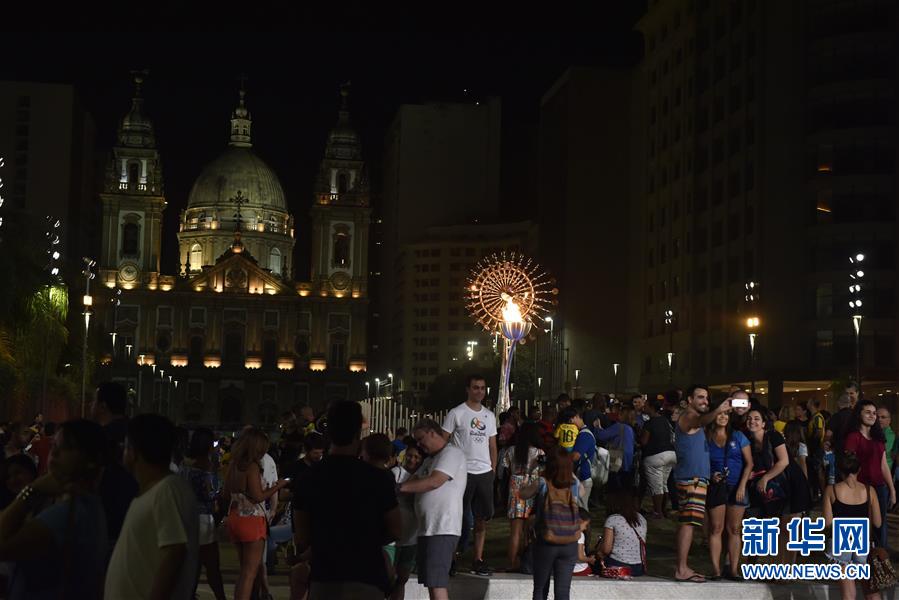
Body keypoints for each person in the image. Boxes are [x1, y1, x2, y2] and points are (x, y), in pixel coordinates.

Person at [294, 401, 400, 600]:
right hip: (367, 576)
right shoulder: (378, 478)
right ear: (358, 432)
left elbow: (301, 536)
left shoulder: (308, 478)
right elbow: (395, 529)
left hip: (324, 577)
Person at [0, 419, 108, 600]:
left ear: (89, 459)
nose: (54, 453)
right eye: (54, 445)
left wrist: (31, 490)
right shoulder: (89, 507)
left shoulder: (69, 513)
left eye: (66, 447)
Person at [105, 414, 199, 600]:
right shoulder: (156, 491)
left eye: (126, 446)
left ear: (134, 451)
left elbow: (174, 552)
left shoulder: (167, 490)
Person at [399, 419, 467, 600]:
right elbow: (414, 481)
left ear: (432, 433)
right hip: (428, 529)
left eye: (421, 439)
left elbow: (435, 481)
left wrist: (400, 488)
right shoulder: (430, 459)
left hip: (442, 527)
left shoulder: (451, 453)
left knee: (437, 584)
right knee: (432, 582)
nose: (419, 444)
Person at [673, 384, 731, 583]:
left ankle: (682, 567)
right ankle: (681, 568)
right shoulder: (689, 417)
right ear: (689, 399)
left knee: (689, 523)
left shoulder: (694, 420)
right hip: (692, 479)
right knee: (688, 523)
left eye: (707, 398)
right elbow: (700, 420)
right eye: (700, 397)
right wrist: (718, 410)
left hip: (695, 478)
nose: (705, 401)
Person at [441, 374, 497, 576]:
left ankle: (478, 559)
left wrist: (492, 470)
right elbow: (443, 440)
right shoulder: (456, 413)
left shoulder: (489, 416)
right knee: (458, 519)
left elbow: (492, 445)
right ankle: (451, 559)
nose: (479, 391)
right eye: (475, 387)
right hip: (462, 473)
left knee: (482, 519)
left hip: (484, 474)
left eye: (482, 388)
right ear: (468, 389)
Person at [224, 428, 287, 600]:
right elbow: (258, 496)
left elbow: (225, 492)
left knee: (244, 570)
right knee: (249, 573)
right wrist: (277, 486)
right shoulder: (252, 466)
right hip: (252, 519)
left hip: (235, 516)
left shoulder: (233, 464)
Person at [519, 447, 580, 600]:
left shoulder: (542, 482)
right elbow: (582, 494)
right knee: (563, 592)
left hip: (546, 541)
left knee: (540, 589)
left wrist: (530, 471)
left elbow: (522, 493)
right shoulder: (574, 484)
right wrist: (567, 470)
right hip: (570, 541)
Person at [823, 451, 881, 600]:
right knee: (871, 591)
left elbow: (828, 524)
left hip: (841, 541)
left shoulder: (831, 490)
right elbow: (877, 522)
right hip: (863, 541)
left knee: (848, 595)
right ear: (859, 469)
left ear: (840, 471)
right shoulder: (870, 491)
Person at [706, 399, 752, 580]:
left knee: (734, 529)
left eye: (726, 414)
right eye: (720, 413)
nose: (723, 417)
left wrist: (742, 485)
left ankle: (733, 569)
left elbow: (749, 463)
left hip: (736, 486)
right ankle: (716, 570)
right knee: (716, 528)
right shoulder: (706, 436)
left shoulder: (738, 436)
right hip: (716, 486)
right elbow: (702, 461)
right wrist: (710, 475)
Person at [91, 381, 139, 555]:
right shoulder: (136, 432)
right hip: (134, 514)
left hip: (105, 516)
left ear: (103, 406)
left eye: (93, 401)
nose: (91, 405)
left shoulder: (97, 437)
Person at [179, 427, 226, 600]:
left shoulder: (186, 465)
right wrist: (220, 493)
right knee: (212, 564)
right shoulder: (204, 464)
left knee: (194, 563)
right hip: (203, 518)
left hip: (188, 516)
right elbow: (208, 494)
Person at [844, 400, 896, 550]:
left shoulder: (878, 437)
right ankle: (860, 561)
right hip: (860, 488)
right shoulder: (853, 437)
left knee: (880, 526)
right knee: (860, 526)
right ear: (859, 414)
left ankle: (879, 562)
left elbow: (883, 465)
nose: (872, 416)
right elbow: (848, 465)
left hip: (879, 487)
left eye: (874, 413)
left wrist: (891, 489)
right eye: (868, 412)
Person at [500, 421, 544, 572]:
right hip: (532, 490)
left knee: (515, 532)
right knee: (529, 531)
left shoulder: (511, 451)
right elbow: (542, 473)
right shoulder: (539, 452)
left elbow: (505, 472)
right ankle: (526, 562)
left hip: (515, 490)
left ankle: (511, 562)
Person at [390, 443, 423, 600]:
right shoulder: (396, 473)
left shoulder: (424, 477)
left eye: (416, 457)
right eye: (409, 455)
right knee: (388, 576)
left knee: (402, 578)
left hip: (411, 537)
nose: (412, 460)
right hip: (392, 539)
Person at [745, 407, 790, 519]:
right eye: (749, 419)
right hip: (756, 488)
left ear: (763, 424)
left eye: (756, 419)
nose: (752, 421)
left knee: (776, 520)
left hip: (776, 484)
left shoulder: (774, 436)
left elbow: (784, 461)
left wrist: (765, 478)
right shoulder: (747, 441)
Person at [595, 490, 648, 577]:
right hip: (638, 567)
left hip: (617, 565)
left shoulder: (612, 519)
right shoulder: (641, 518)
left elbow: (606, 549)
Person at [640, 398, 677, 518]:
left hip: (655, 456)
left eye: (646, 405)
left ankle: (657, 511)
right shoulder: (665, 421)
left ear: (651, 407)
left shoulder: (649, 423)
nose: (644, 407)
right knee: (663, 484)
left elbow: (644, 442)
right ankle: (663, 509)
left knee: (656, 487)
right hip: (671, 454)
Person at [597, 405, 636, 492]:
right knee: (625, 490)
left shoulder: (618, 426)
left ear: (621, 415)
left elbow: (601, 436)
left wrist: (598, 428)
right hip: (628, 463)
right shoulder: (631, 429)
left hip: (618, 462)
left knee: (614, 490)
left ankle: (614, 505)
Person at [569, 409, 597, 510]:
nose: (570, 422)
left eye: (571, 419)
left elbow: (576, 456)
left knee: (581, 511)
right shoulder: (584, 433)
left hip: (583, 478)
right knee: (581, 510)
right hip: (582, 477)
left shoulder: (584, 435)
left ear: (577, 416)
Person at [572, 508, 595, 577]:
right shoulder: (580, 535)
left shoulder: (564, 533)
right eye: (585, 525)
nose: (585, 528)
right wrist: (590, 559)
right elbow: (580, 557)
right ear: (579, 521)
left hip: (567, 569)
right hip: (581, 570)